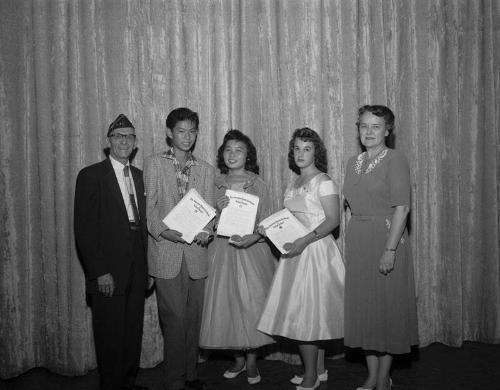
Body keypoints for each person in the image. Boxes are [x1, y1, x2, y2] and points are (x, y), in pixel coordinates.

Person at [257, 128, 345, 390]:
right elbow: (290, 219)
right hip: (295, 253)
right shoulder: (293, 183)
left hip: (315, 253)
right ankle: (319, 369)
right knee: (308, 314)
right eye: (296, 148)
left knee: (308, 316)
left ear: (316, 152)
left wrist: (303, 242)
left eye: (307, 148)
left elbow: (333, 220)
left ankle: (310, 377)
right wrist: (269, 228)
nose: (300, 153)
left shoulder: (324, 182)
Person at [343, 105, 418, 390]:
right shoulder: (353, 162)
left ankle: (384, 377)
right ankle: (372, 374)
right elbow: (349, 207)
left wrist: (390, 250)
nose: (369, 132)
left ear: (388, 130)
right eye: (364, 126)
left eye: (376, 126)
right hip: (360, 240)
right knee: (365, 310)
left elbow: (403, 207)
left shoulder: (396, 159)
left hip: (387, 238)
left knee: (385, 310)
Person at [74, 114, 148, 390]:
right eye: (118, 136)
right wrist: (99, 271)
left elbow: (144, 227)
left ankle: (127, 382)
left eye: (129, 136)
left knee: (132, 332)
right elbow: (84, 230)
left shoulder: (140, 177)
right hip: (108, 271)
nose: (124, 141)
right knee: (109, 334)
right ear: (108, 142)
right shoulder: (91, 176)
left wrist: (148, 269)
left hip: (137, 269)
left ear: (135, 142)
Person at [144, 107, 215, 390]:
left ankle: (191, 375)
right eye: (181, 132)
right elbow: (147, 210)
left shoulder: (206, 169)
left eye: (192, 131)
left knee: (193, 319)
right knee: (174, 319)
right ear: (169, 133)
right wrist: (165, 232)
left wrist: (207, 231)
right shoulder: (154, 163)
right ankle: (174, 380)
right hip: (166, 252)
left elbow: (210, 214)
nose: (187, 137)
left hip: (196, 255)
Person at [199, 130, 276, 385]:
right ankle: (238, 359)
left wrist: (255, 236)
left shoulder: (258, 183)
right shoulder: (214, 182)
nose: (233, 154)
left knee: (251, 305)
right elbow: (205, 221)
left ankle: (252, 361)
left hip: (251, 252)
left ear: (248, 155)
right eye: (228, 150)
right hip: (221, 251)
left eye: (239, 150)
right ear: (222, 154)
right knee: (227, 305)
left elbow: (266, 222)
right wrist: (217, 211)